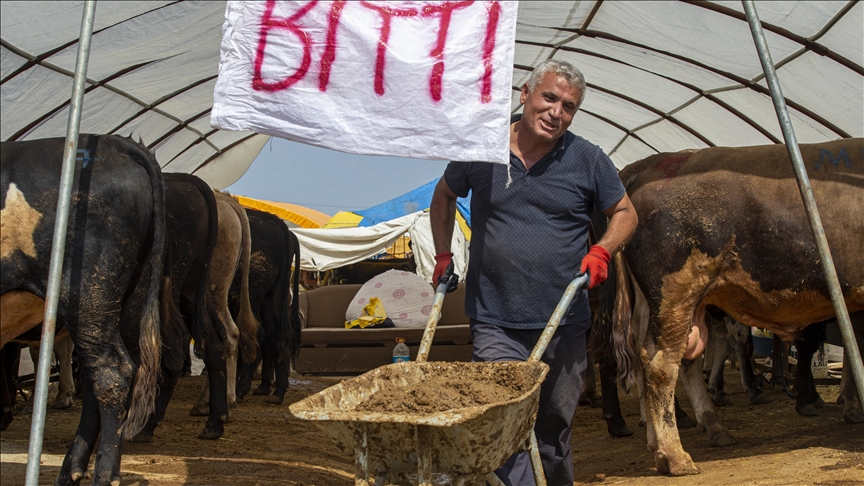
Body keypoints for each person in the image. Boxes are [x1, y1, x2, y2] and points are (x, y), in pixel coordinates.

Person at [429, 59, 638, 486]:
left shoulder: (587, 159)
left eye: (568, 106)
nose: (556, 112)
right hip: (495, 320)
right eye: (549, 97)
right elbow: (445, 194)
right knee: (503, 428)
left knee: (552, 432)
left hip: (563, 321)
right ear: (525, 94)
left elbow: (625, 213)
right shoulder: (482, 146)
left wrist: (602, 250)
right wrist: (443, 255)